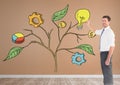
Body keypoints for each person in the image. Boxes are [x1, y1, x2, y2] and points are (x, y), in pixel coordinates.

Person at [87, 15, 115, 85]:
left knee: (107, 71)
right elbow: (95, 31)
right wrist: (88, 25)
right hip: (103, 53)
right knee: (105, 71)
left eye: (105, 21)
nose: (103, 22)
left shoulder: (110, 32)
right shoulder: (103, 30)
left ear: (109, 22)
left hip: (107, 53)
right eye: (102, 21)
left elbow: (112, 46)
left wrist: (108, 58)